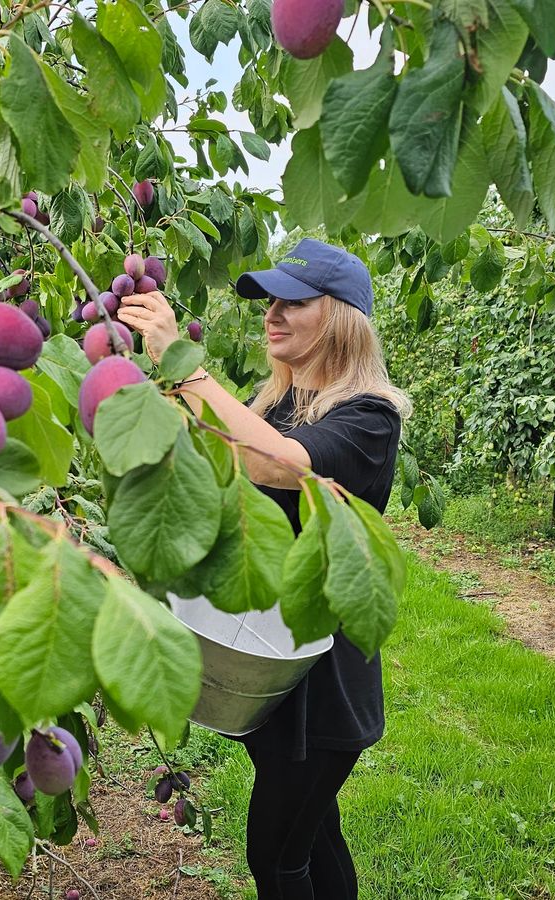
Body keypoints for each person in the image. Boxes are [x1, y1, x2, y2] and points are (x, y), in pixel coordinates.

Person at [118, 238, 411, 900]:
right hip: (269, 669)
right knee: (315, 833)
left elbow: (276, 464)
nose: (272, 314)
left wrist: (184, 365)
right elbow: (221, 467)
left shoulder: (368, 418)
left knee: (276, 856)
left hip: (322, 690)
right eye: (269, 301)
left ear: (337, 317)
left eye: (292, 302)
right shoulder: (273, 403)